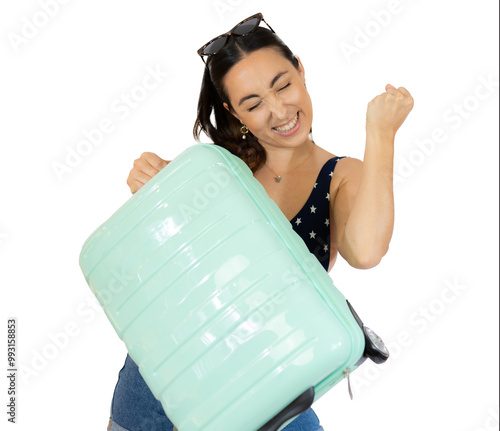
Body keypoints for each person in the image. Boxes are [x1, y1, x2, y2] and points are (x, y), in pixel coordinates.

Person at [107, 12, 414, 431]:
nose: (278, 110)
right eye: (253, 104)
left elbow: (366, 251)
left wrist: (381, 135)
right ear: (234, 112)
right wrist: (153, 192)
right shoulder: (216, 169)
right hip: (163, 375)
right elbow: (161, 270)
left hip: (268, 388)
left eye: (283, 85)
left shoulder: (341, 177)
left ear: (301, 70)